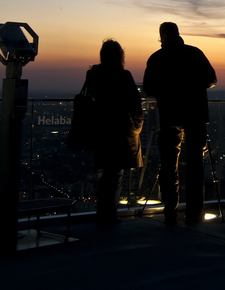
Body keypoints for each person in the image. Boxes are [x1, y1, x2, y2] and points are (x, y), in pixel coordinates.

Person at [143, 22, 217, 226]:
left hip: (169, 115)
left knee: (168, 165)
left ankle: (170, 213)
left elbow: (148, 88)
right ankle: (194, 214)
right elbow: (212, 79)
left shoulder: (157, 58)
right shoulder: (195, 53)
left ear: (163, 36)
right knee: (195, 165)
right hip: (196, 114)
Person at [84, 40, 143, 226]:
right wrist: (136, 126)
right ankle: (108, 214)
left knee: (108, 173)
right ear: (120, 56)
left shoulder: (93, 75)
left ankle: (104, 212)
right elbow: (135, 103)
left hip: (100, 129)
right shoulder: (123, 75)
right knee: (115, 173)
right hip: (119, 130)